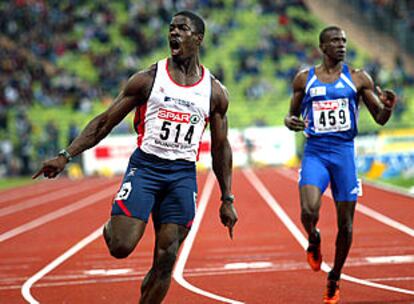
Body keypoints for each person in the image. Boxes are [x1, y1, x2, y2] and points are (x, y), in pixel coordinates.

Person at [33, 11, 238, 304]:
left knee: (167, 257)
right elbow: (104, 122)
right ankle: (112, 226)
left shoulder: (215, 92)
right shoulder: (148, 80)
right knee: (121, 246)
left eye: (182, 29)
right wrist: (66, 155)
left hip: (181, 175)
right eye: (171, 29)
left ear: (198, 38)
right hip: (146, 168)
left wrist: (227, 198)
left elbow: (221, 147)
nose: (174, 34)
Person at [284, 26, 397, 304]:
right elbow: (291, 116)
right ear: (322, 46)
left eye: (344, 41)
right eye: (335, 41)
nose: (341, 45)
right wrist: (290, 122)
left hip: (344, 154)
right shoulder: (304, 79)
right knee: (308, 211)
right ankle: (314, 237)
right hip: (316, 153)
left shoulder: (358, 78)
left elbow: (380, 118)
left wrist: (389, 106)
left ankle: (334, 276)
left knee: (346, 225)